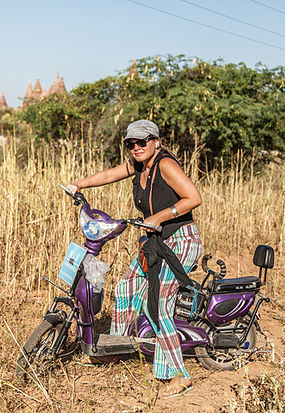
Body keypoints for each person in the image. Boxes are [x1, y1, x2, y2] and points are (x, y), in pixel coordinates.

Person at [66, 119, 202, 398]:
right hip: (154, 241)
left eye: (142, 142)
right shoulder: (138, 165)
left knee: (157, 305)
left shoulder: (165, 164)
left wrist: (157, 218)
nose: (136, 147)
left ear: (156, 141)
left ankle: (179, 374)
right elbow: (108, 175)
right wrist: (79, 184)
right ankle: (117, 349)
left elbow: (193, 197)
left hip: (180, 240)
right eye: (131, 143)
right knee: (125, 289)